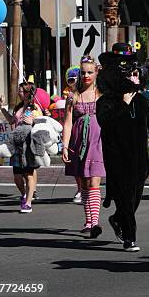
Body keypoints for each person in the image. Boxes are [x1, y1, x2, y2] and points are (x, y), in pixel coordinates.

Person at [96, 43, 149, 251]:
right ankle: (130, 238)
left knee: (134, 197)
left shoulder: (142, 101)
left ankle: (118, 219)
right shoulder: (106, 101)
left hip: (139, 160)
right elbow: (105, 122)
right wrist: (123, 104)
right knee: (125, 197)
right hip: (117, 157)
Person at [61, 56, 105, 238]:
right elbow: (68, 123)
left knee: (94, 181)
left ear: (96, 72)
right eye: (83, 72)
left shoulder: (102, 94)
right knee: (84, 182)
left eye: (90, 72)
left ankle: (95, 222)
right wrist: (64, 146)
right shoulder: (73, 95)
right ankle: (88, 220)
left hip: (99, 142)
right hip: (79, 142)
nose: (86, 75)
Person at [0, 82, 42, 213]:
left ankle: (28, 202)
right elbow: (12, 120)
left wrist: (33, 121)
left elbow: (41, 122)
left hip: (28, 143)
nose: (19, 93)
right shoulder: (19, 107)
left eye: (21, 91)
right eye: (19, 90)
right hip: (16, 142)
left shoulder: (35, 107)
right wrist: (2, 108)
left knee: (29, 174)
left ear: (29, 93)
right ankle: (25, 193)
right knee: (17, 177)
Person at [64, 66, 83, 204]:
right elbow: (67, 121)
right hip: (75, 135)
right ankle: (80, 189)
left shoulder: (91, 93)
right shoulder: (70, 98)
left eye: (77, 79)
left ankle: (89, 190)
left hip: (91, 134)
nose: (74, 82)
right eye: (71, 80)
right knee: (75, 165)